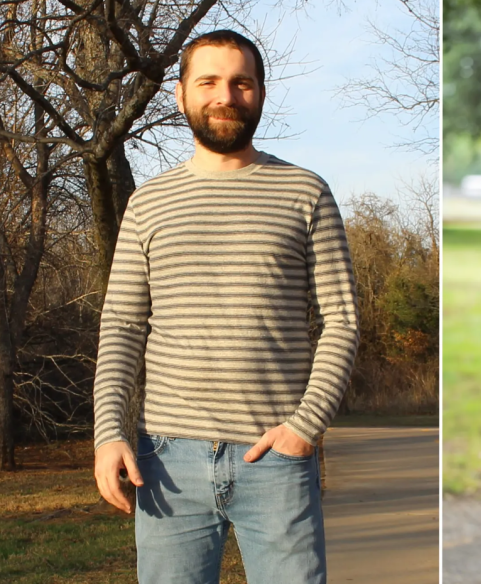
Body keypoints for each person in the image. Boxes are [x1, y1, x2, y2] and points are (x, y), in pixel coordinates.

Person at [92, 30, 360, 584]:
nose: (226, 96)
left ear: (260, 93)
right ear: (181, 94)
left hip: (277, 461)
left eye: (241, 83)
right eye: (209, 81)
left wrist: (304, 427)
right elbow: (121, 325)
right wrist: (108, 434)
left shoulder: (305, 192)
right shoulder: (148, 203)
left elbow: (342, 320)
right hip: (166, 464)